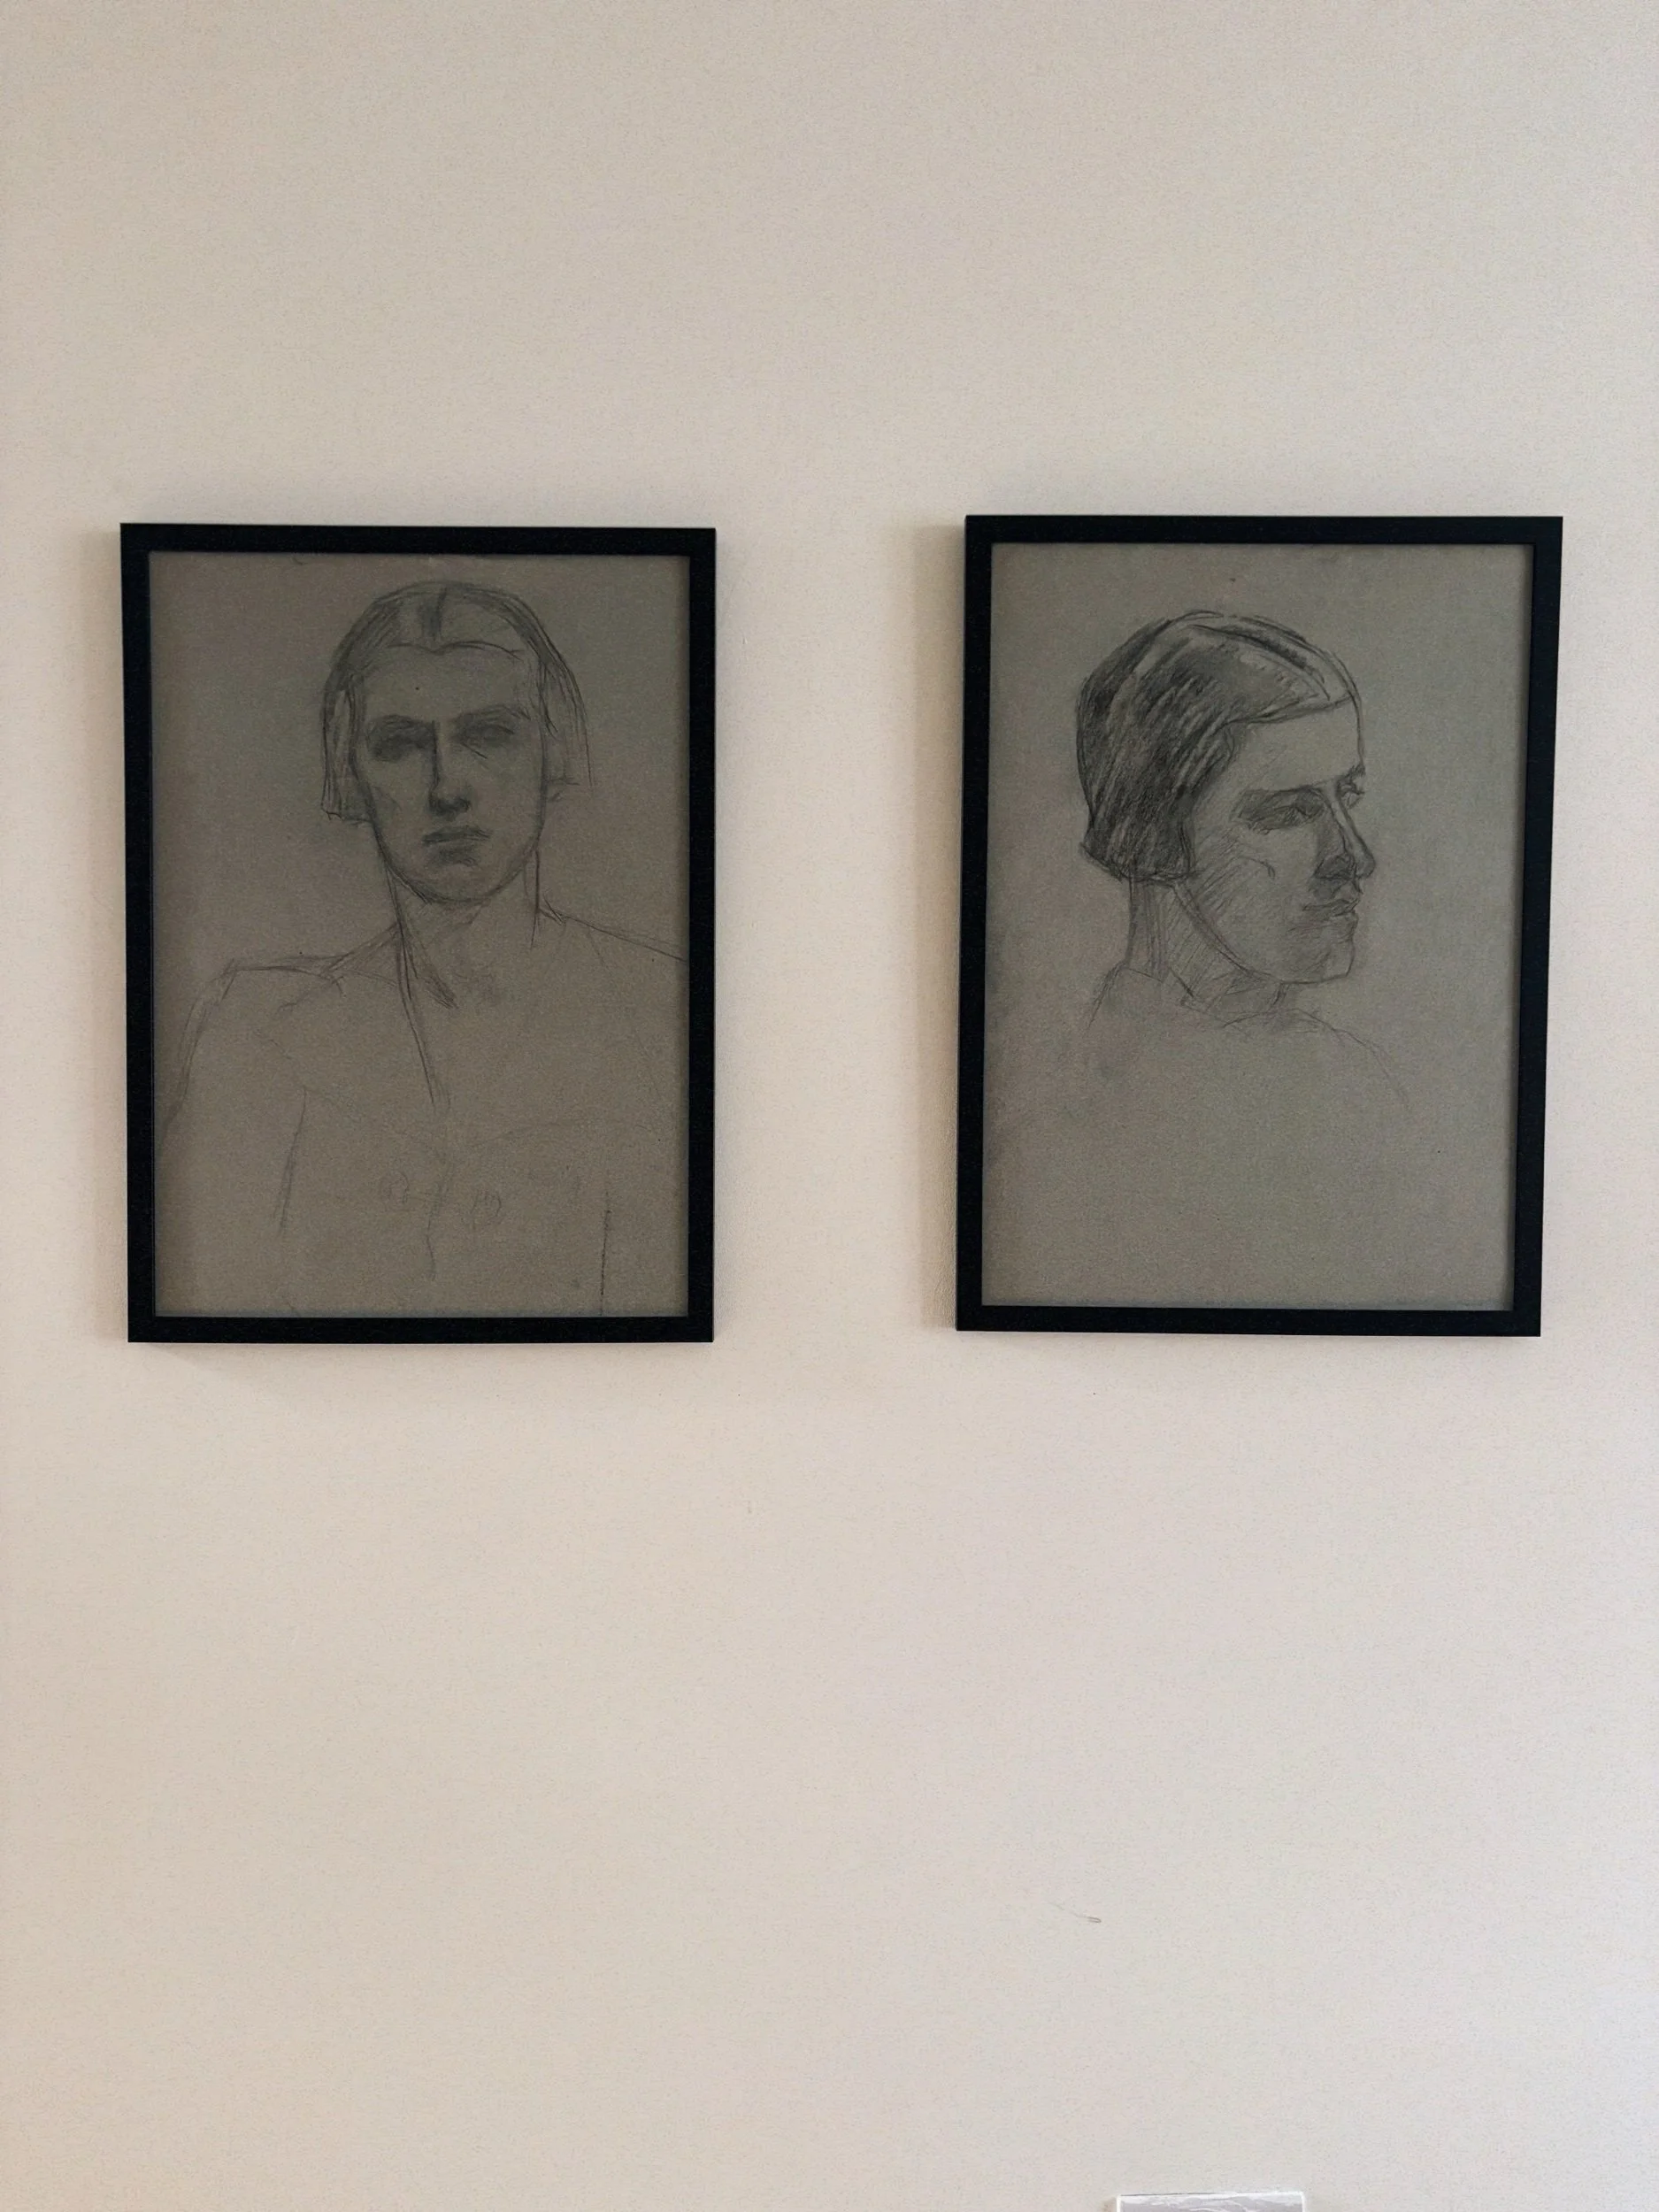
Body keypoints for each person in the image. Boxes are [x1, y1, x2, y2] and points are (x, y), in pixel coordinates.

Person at [160, 580, 686, 1317]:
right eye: (400, 745)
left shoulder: (662, 1010)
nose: (447, 788)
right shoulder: (254, 1031)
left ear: (553, 750)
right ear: (349, 772)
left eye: (489, 735)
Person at [984, 610, 1422, 1309]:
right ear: (1151, 830)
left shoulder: (1359, 1090)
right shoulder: (1062, 1122)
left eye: (1347, 798)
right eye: (1287, 813)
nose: (1351, 858)